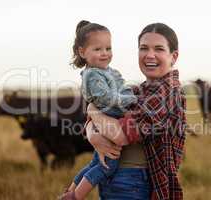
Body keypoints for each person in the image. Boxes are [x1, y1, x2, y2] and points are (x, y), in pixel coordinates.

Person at [83, 23, 186, 200]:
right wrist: (93, 135)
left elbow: (120, 135)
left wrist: (92, 110)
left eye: (159, 49)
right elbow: (100, 122)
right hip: (115, 178)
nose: (150, 55)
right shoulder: (137, 91)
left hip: (133, 183)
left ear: (173, 57)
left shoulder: (167, 92)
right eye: (143, 48)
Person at [59, 20, 138, 200]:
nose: (105, 53)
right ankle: (76, 196)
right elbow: (106, 99)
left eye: (108, 48)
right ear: (82, 52)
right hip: (110, 117)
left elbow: (122, 86)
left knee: (96, 161)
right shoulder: (93, 74)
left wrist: (127, 93)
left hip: (106, 117)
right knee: (107, 165)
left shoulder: (108, 71)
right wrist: (131, 100)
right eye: (98, 49)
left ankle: (69, 191)